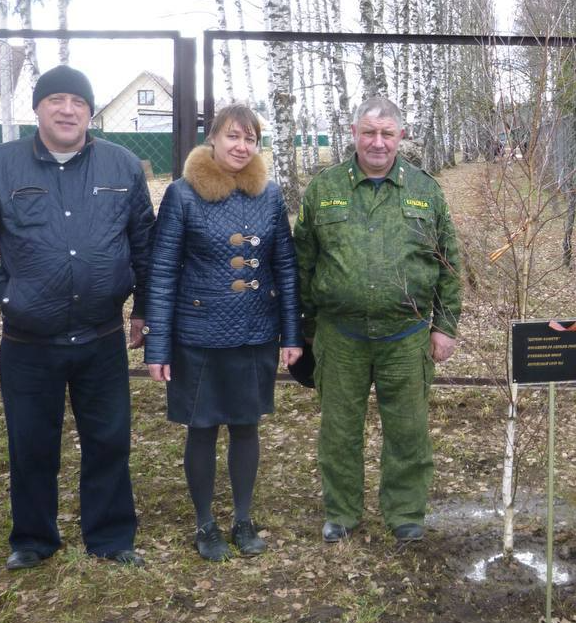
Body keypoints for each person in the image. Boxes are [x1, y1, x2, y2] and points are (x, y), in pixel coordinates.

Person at [0, 65, 154, 570]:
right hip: (28, 340)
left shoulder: (123, 167)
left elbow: (146, 244)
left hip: (101, 334)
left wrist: (143, 308)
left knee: (109, 440)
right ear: (37, 108)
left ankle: (110, 536)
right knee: (31, 442)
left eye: (78, 102)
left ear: (90, 111)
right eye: (56, 100)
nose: (67, 110)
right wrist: (4, 293)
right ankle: (34, 539)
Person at [293, 95, 461, 544]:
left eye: (387, 133)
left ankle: (405, 511)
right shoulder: (324, 190)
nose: (378, 142)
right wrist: (302, 331)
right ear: (354, 134)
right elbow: (301, 264)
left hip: (405, 336)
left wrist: (445, 327)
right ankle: (342, 512)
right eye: (369, 132)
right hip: (340, 335)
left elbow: (448, 263)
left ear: (401, 137)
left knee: (408, 429)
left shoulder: (426, 192)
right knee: (339, 429)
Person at [143, 105, 302, 561]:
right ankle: (205, 524)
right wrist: (158, 345)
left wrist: (291, 334)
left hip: (254, 333)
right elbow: (163, 271)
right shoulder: (182, 195)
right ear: (212, 138)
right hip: (198, 335)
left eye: (250, 139)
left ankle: (243, 518)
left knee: (246, 427)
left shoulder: (269, 196)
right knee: (203, 428)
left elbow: (285, 269)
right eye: (233, 136)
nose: (241, 146)